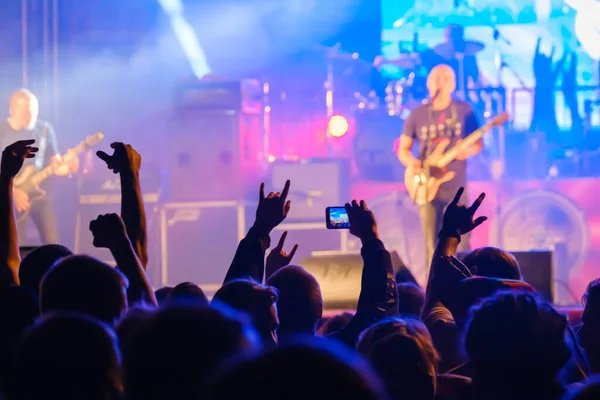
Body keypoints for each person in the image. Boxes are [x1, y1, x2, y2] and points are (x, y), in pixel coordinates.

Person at [397, 65, 483, 267]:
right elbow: (403, 149)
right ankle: (433, 291)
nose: (440, 82)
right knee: (432, 244)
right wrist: (413, 163)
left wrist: (467, 151)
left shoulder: (464, 110)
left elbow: (478, 143)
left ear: (453, 84)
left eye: (446, 78)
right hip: (427, 186)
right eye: (436, 77)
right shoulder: (417, 114)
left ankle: (464, 287)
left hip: (456, 186)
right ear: (428, 82)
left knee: (461, 242)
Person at [0, 89, 78, 245]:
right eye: (26, 112)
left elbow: (55, 164)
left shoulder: (44, 129)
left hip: (39, 195)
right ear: (12, 110)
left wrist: (69, 168)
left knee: (53, 243)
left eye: (34, 111)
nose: (31, 116)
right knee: (16, 246)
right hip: (10, 196)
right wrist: (13, 191)